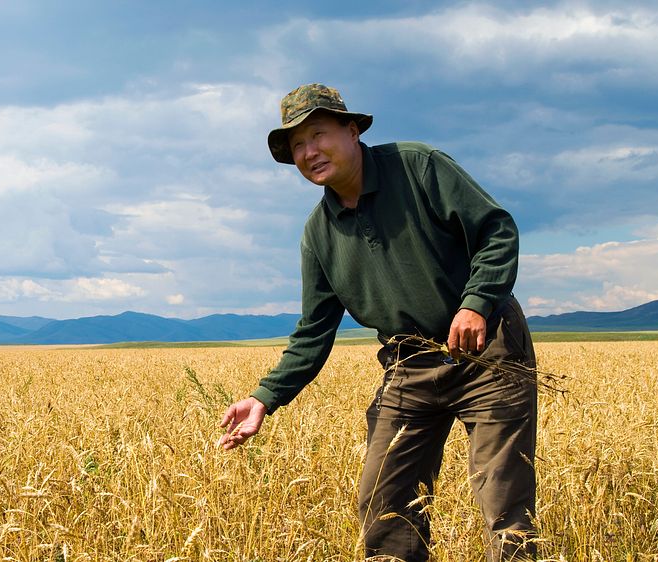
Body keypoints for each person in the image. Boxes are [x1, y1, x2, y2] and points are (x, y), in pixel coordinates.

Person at [217, 83, 538, 561]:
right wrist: (265, 397)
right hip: (408, 366)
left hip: (486, 350)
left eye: (318, 134)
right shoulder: (318, 234)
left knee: (503, 501)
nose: (309, 152)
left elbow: (496, 230)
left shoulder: (418, 166)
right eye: (297, 146)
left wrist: (476, 302)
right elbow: (313, 331)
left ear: (352, 131)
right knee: (384, 503)